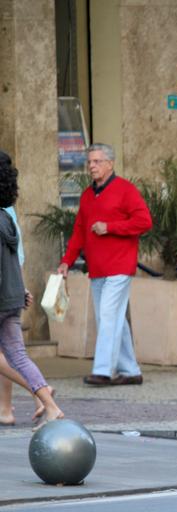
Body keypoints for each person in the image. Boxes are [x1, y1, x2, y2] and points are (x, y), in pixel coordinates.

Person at [58, 143, 152, 386]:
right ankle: (131, 370)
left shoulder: (126, 190)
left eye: (97, 161)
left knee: (109, 316)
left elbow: (144, 221)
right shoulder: (88, 195)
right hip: (97, 268)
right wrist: (66, 262)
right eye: (89, 162)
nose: (91, 166)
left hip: (120, 266)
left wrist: (110, 227)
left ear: (110, 164)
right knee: (112, 318)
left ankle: (103, 371)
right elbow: (79, 230)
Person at [0, 150, 63, 429]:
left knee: (14, 357)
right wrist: (20, 289)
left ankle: (44, 400)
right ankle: (49, 404)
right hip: (11, 299)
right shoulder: (7, 218)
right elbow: (12, 260)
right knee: (18, 356)